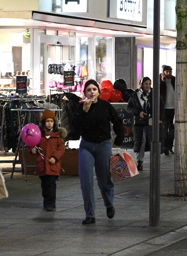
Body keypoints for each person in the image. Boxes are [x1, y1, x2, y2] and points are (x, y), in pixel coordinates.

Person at [68, 79, 125, 224]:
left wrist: (119, 139)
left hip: (103, 146)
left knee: (104, 179)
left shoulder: (105, 106)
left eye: (94, 89)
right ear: (84, 93)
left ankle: (109, 203)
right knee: (86, 181)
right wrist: (84, 112)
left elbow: (117, 121)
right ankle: (90, 214)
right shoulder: (81, 107)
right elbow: (75, 127)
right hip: (86, 145)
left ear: (99, 92)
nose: (91, 92)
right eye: (88, 90)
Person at [33, 109, 65, 211]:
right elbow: (34, 146)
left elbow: (61, 149)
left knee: (51, 185)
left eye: (51, 121)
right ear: (43, 123)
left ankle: (50, 204)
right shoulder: (39, 136)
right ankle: (46, 201)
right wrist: (32, 150)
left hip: (53, 165)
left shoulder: (57, 136)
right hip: (42, 165)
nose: (49, 123)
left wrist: (55, 157)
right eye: (47, 121)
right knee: (44, 185)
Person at [128, 77, 152, 169]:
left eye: (149, 84)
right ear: (141, 84)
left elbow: (160, 105)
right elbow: (129, 107)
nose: (148, 86)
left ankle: (154, 160)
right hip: (139, 122)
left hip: (150, 121)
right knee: (140, 141)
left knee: (151, 140)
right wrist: (138, 112)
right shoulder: (135, 95)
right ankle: (139, 161)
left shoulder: (153, 94)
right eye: (146, 84)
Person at [158, 65, 176, 155]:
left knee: (172, 129)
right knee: (164, 129)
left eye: (170, 71)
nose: (169, 73)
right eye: (167, 72)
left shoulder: (174, 79)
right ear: (163, 72)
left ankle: (170, 146)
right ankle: (165, 147)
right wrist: (162, 81)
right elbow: (158, 92)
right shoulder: (159, 80)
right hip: (164, 108)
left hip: (173, 108)